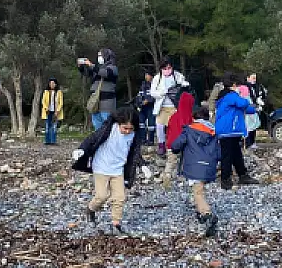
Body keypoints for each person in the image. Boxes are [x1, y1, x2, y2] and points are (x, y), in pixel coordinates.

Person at [72, 107, 150, 236]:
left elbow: (135, 152)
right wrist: (82, 149)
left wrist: (142, 165)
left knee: (120, 197)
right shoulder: (109, 129)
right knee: (102, 195)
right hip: (101, 167)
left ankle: (116, 224)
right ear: (119, 123)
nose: (127, 131)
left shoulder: (133, 135)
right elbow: (92, 138)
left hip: (118, 169)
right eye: (125, 128)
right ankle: (90, 209)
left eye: (130, 129)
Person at [171, 106, 220, 237]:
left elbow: (176, 145)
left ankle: (207, 214)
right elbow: (219, 152)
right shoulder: (213, 132)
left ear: (194, 118)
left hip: (194, 165)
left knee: (197, 193)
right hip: (209, 165)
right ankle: (201, 214)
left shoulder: (189, 130)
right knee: (199, 190)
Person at [214, 73, 258, 189]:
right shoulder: (230, 96)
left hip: (231, 131)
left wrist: (254, 109)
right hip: (228, 130)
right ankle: (225, 179)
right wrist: (246, 98)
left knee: (236, 154)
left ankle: (242, 174)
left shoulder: (228, 96)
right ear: (233, 84)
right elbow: (242, 103)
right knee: (227, 155)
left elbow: (246, 108)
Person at [151, 60, 190, 156]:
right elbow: (152, 92)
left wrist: (184, 84)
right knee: (160, 126)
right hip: (162, 106)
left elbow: (184, 84)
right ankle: (161, 144)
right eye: (165, 68)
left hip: (174, 106)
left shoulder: (177, 75)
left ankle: (175, 144)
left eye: (169, 68)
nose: (167, 70)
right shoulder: (157, 78)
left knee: (175, 126)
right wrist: (162, 93)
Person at [161, 90, 196, 188]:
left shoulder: (173, 116)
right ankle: (182, 175)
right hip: (183, 142)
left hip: (171, 142)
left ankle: (167, 174)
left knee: (171, 161)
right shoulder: (189, 117)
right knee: (184, 158)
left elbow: (168, 129)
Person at [78, 49, 120, 131]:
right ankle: (99, 142)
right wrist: (81, 67)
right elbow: (88, 74)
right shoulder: (98, 68)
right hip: (96, 103)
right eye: (98, 56)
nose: (99, 58)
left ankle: (109, 143)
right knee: (97, 127)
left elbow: (104, 73)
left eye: (100, 55)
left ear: (106, 56)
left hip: (107, 103)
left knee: (108, 125)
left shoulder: (113, 68)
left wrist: (91, 65)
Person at [245, 74, 268, 148]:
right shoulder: (245, 88)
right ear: (248, 78)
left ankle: (253, 142)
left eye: (255, 78)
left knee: (254, 126)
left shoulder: (256, 87)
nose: (254, 80)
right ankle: (248, 143)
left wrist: (259, 103)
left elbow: (258, 96)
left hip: (254, 109)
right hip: (248, 109)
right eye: (253, 78)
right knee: (248, 126)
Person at [41, 78, 64, 146]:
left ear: (56, 84)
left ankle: (53, 141)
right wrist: (46, 108)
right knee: (47, 126)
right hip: (47, 111)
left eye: (53, 83)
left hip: (55, 111)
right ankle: (47, 141)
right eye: (50, 83)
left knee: (54, 126)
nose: (52, 85)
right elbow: (43, 101)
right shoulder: (46, 91)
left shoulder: (59, 92)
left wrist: (58, 111)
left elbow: (61, 103)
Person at [138, 72, 156, 145]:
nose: (146, 76)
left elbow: (157, 96)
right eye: (145, 75)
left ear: (151, 76)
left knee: (151, 125)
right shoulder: (143, 84)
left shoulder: (155, 84)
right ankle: (143, 139)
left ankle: (151, 140)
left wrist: (148, 100)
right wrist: (139, 103)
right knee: (141, 123)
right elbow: (139, 95)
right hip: (142, 107)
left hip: (151, 107)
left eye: (147, 75)